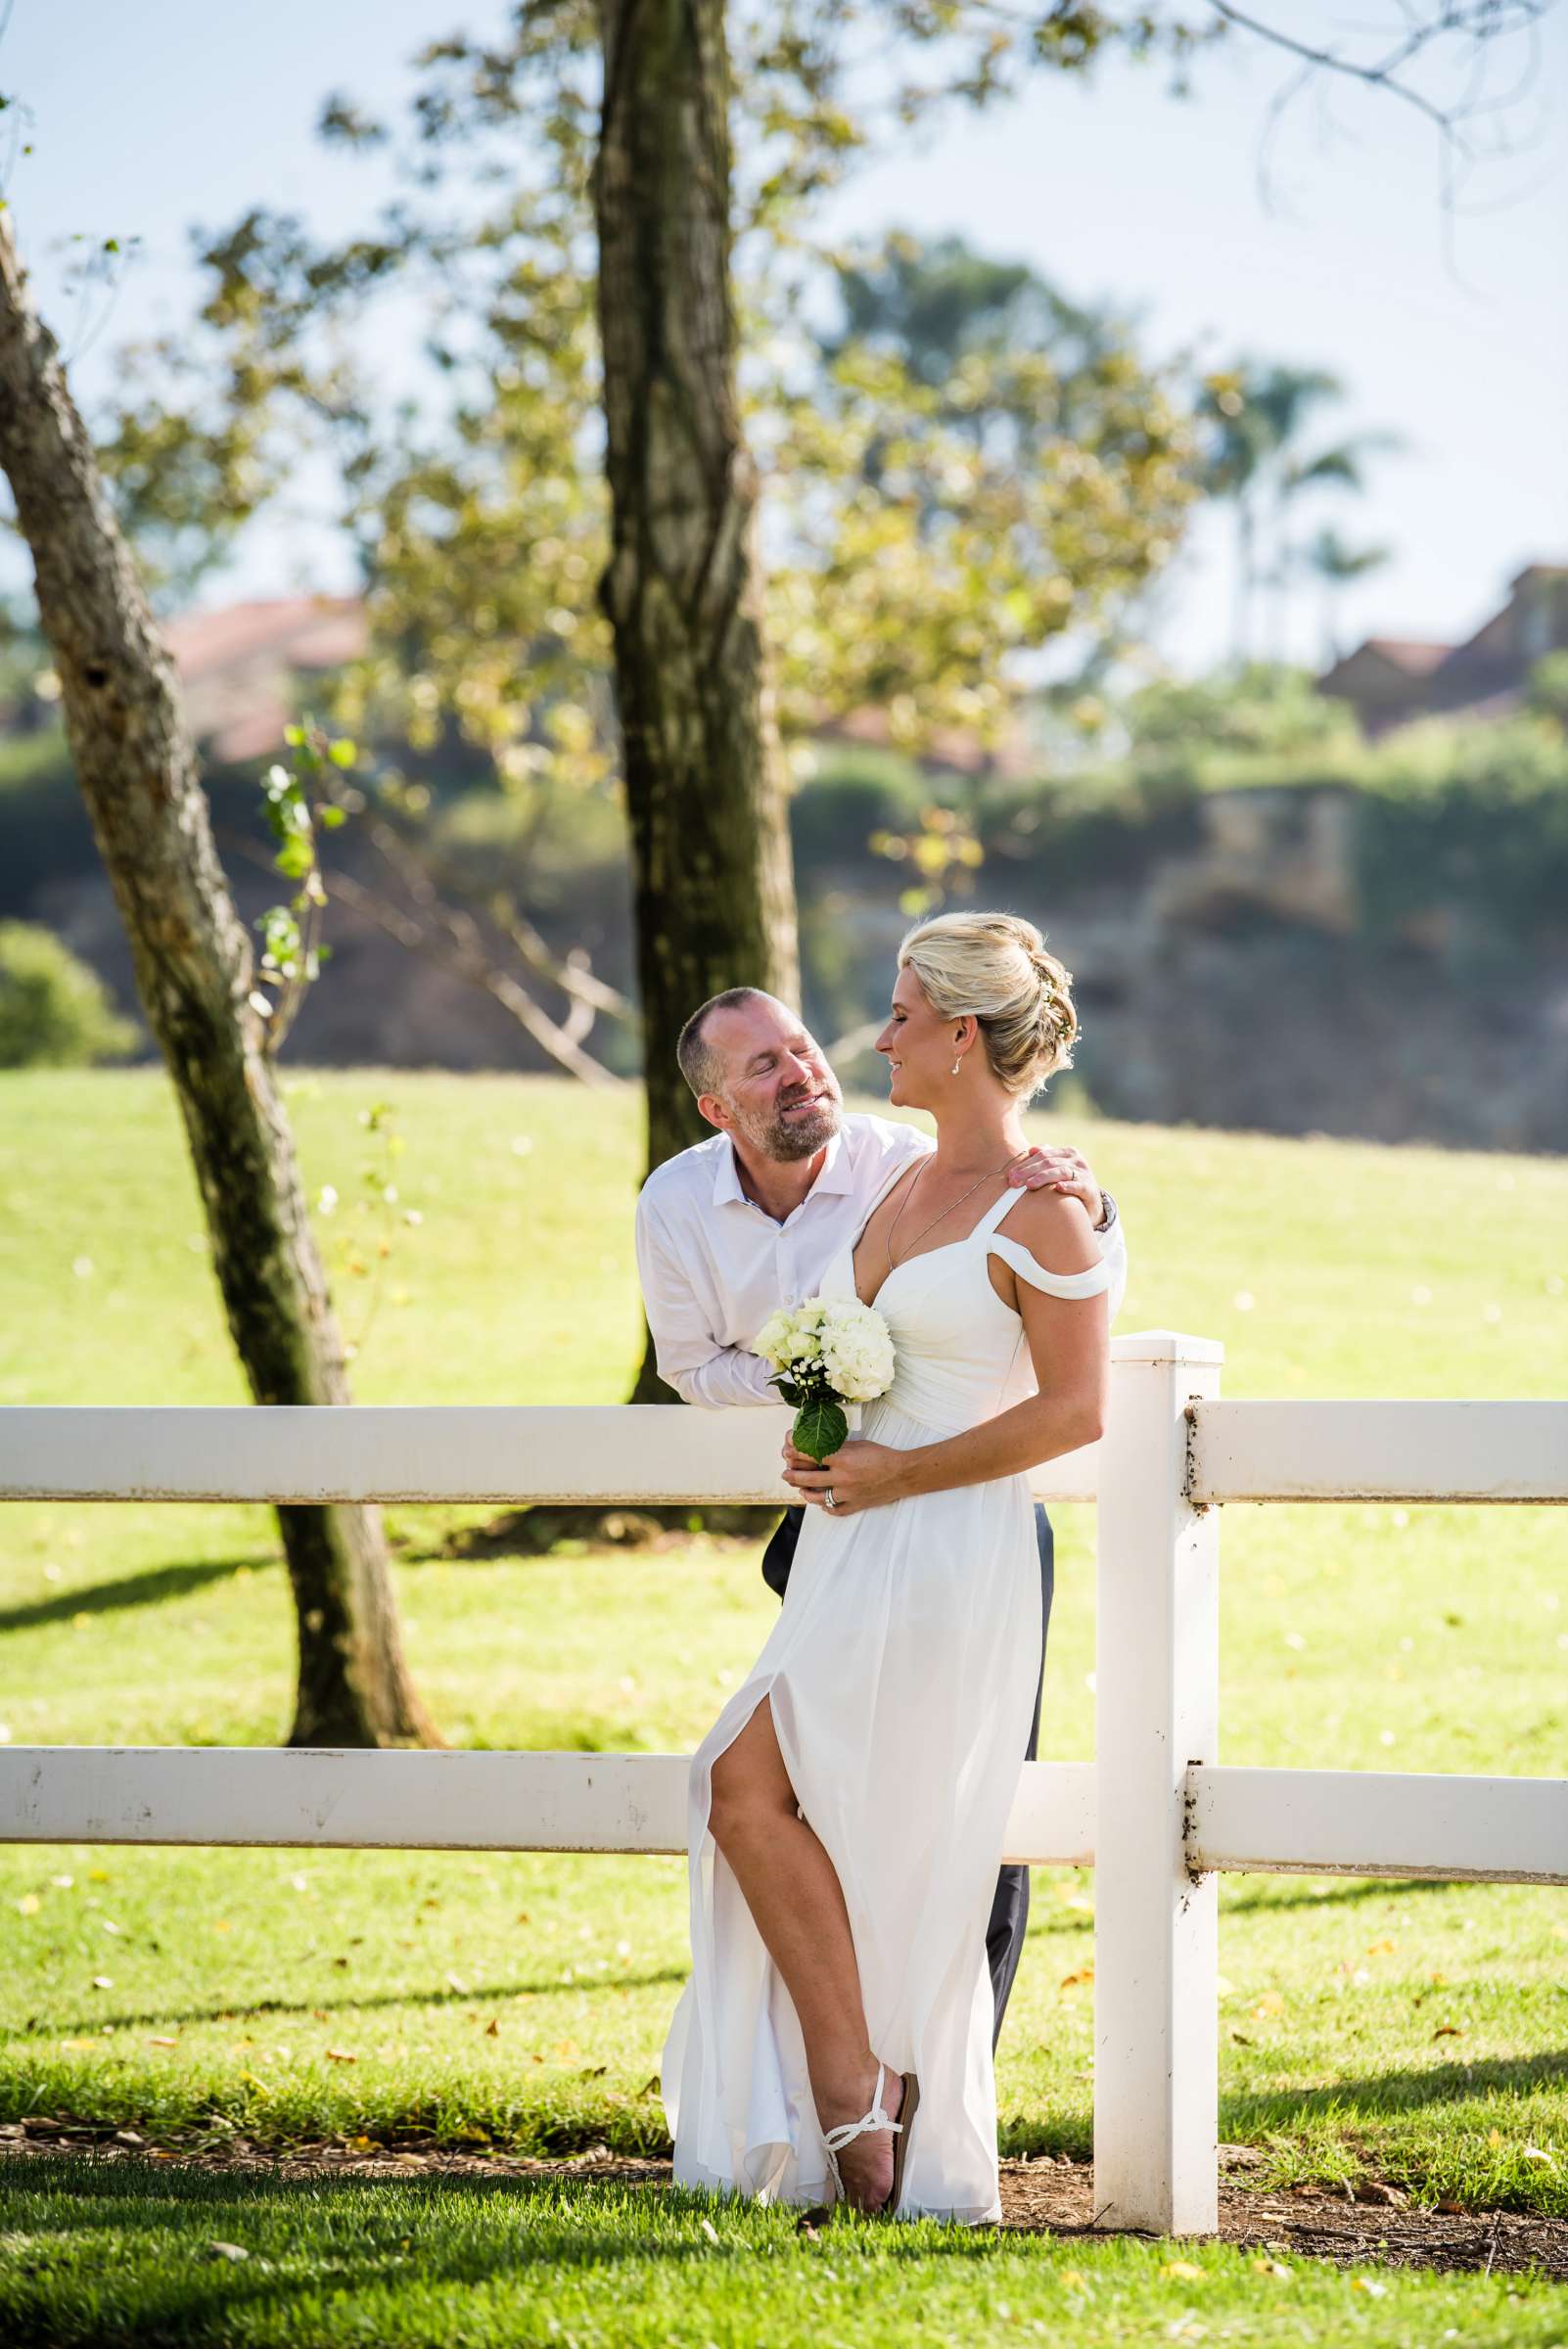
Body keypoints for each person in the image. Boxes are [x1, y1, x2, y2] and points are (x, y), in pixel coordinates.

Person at [641, 912, 1126, 2223]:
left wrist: (897, 1473)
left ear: (963, 1037)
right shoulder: (905, 1182)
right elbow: (816, 1340)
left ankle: (872, 2113)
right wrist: (817, 1425)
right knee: (749, 1792)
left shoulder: (1050, 1210)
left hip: (948, 1554)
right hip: (851, 1547)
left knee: (841, 1811)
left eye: (901, 1014)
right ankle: (857, 2093)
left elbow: (1079, 1413)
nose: (876, 1037)